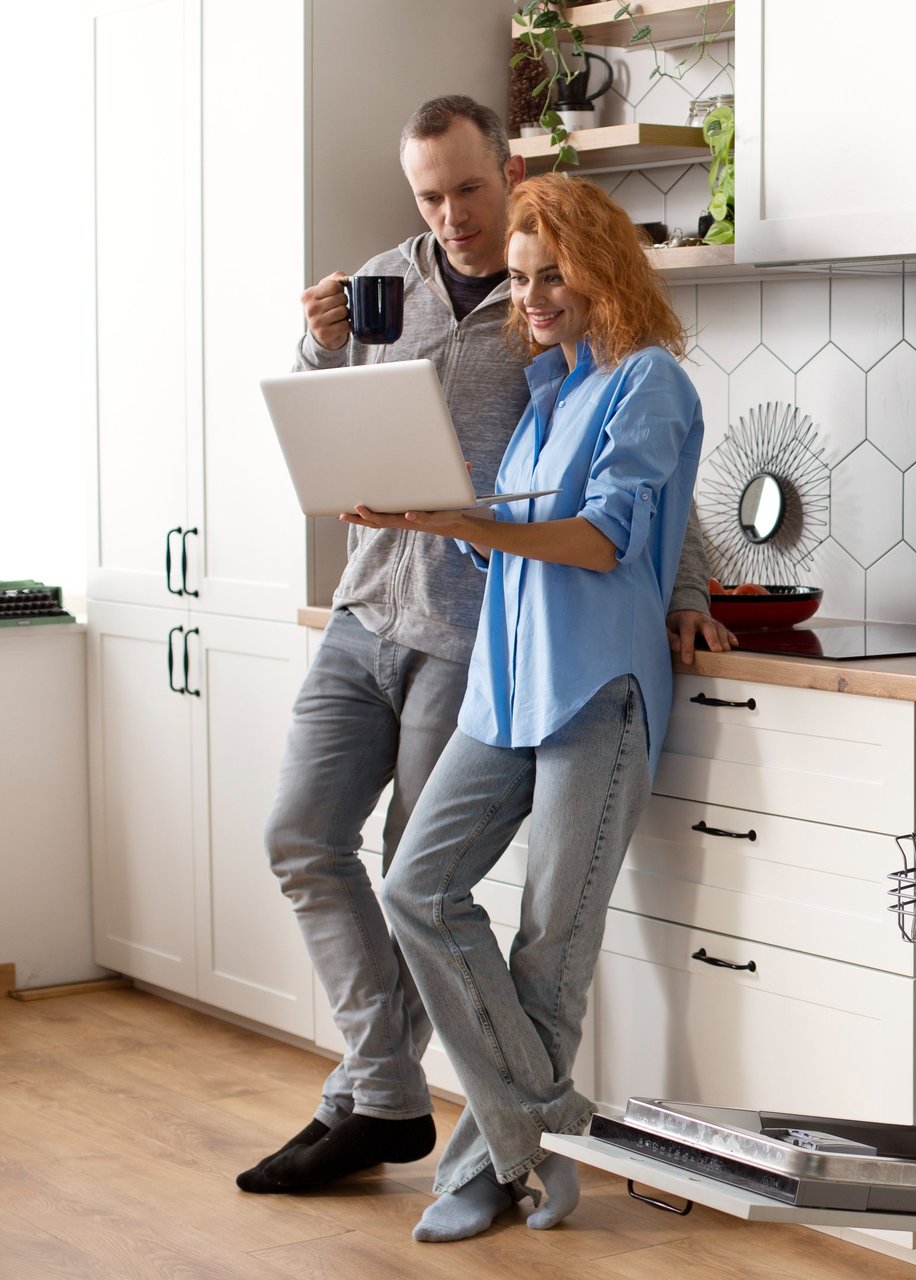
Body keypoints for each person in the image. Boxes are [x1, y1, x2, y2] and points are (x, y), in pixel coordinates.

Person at [240, 96, 731, 1196]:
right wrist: (316, 350)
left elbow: (647, 489)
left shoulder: (584, 350)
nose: (450, 214)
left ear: (504, 172)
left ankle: (417, 1118)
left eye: (468, 188)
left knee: (448, 889)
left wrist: (685, 586)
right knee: (307, 841)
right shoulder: (402, 296)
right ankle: (404, 1092)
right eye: (430, 196)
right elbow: (337, 420)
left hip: (484, 644)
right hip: (372, 609)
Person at [354, 173, 700, 1241]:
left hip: (598, 691)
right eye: (517, 278)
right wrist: (434, 514)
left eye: (554, 275)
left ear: (603, 270)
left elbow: (601, 541)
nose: (534, 297)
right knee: (417, 885)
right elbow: (509, 540)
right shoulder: (548, 394)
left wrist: (481, 523)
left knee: (551, 946)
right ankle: (538, 1126)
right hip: (507, 692)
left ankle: (491, 1169)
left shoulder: (650, 384)